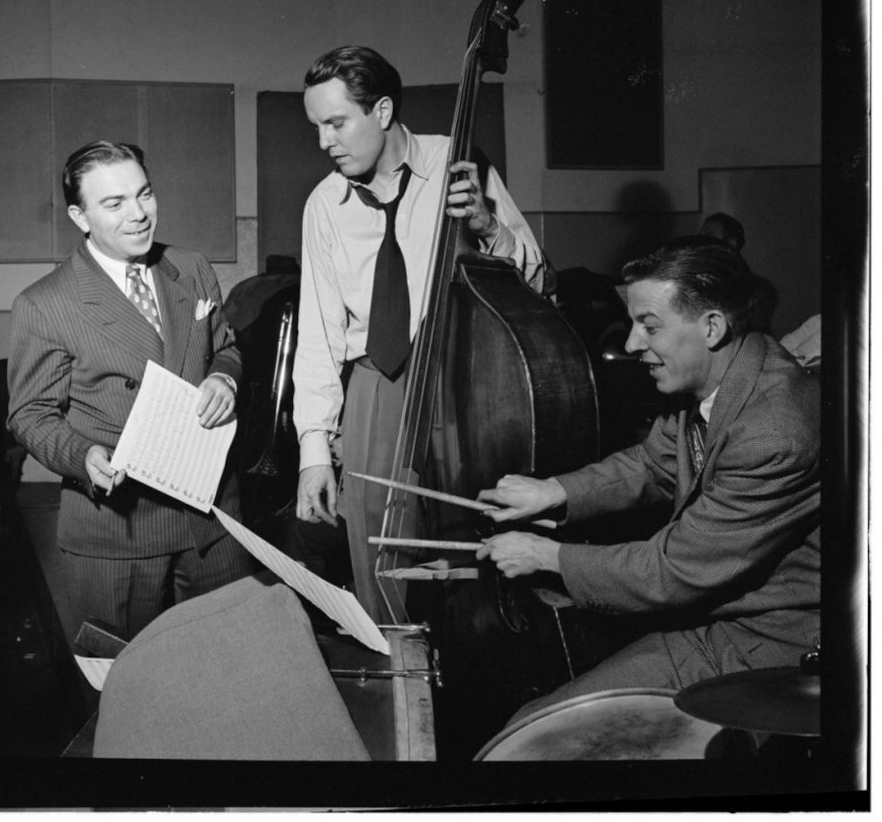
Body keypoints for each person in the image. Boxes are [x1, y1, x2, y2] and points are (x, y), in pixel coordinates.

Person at [476, 234, 820, 720]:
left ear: (712, 327)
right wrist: (552, 491)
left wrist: (544, 555)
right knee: (529, 724)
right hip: (715, 617)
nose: (633, 343)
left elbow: (672, 571)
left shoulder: (776, 432)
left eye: (649, 327)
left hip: (773, 643)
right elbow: (652, 462)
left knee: (538, 737)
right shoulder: (721, 374)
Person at [292, 45, 545, 622]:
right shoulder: (324, 205)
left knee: (471, 550)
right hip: (376, 386)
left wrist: (489, 229)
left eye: (337, 122)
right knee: (378, 563)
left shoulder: (461, 164)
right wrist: (313, 451)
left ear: (382, 111)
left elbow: (536, 282)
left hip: (464, 385)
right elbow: (319, 333)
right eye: (317, 127)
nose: (325, 141)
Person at [8, 141, 252, 640]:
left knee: (227, 679)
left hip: (213, 524)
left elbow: (225, 345)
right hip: (119, 534)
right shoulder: (45, 303)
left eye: (144, 194)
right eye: (114, 203)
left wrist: (224, 376)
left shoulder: (193, 267)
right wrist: (83, 455)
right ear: (80, 216)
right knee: (126, 694)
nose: (139, 215)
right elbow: (30, 414)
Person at [699, 211, 777, 332]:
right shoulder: (697, 280)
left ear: (731, 243)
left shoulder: (755, 290)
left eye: (710, 235)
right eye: (700, 236)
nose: (702, 241)